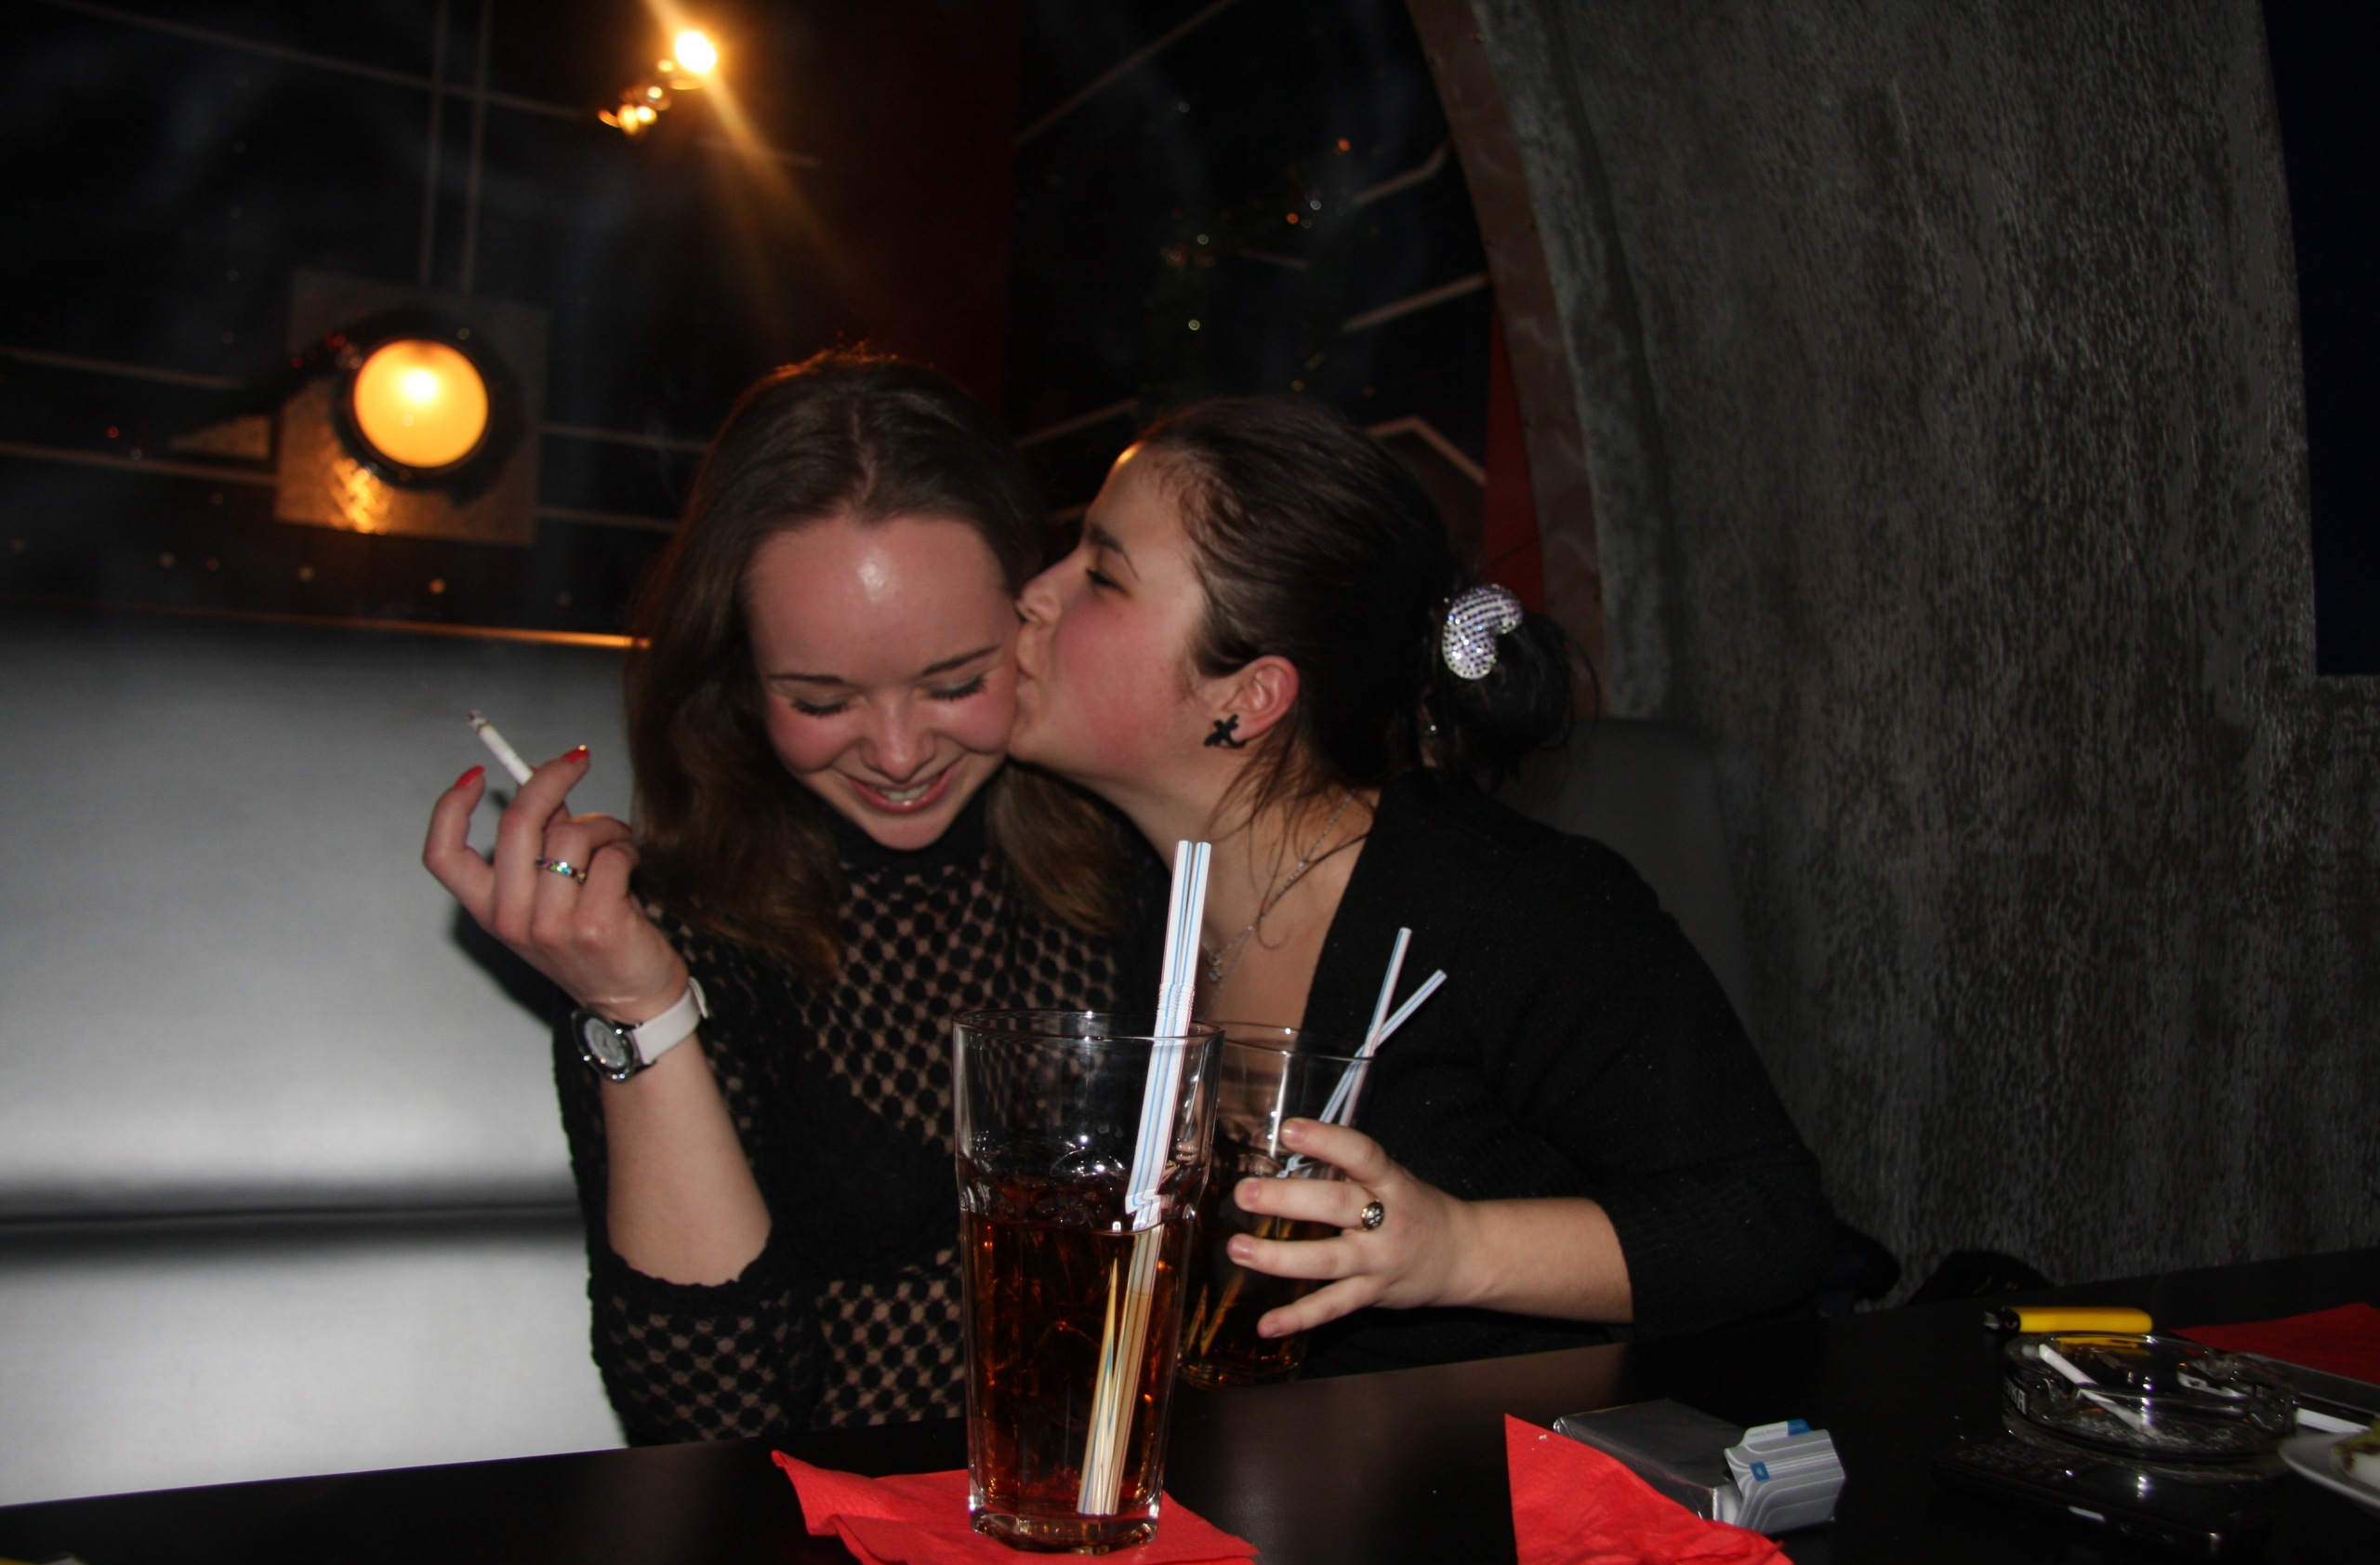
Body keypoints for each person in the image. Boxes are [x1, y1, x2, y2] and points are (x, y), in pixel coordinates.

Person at [1010, 396, 1834, 1372]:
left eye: (1101, 575)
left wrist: (1455, 1249)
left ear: (1248, 696)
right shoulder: (1106, 901)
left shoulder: (1511, 908)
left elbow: (1772, 1222)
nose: (1036, 594)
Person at [423, 352, 1149, 1439]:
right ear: (739, 674)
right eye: (820, 700)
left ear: (1035, 619)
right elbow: (713, 1424)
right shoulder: (661, 937)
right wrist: (640, 1013)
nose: (898, 753)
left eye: (956, 682)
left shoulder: (1140, 863)